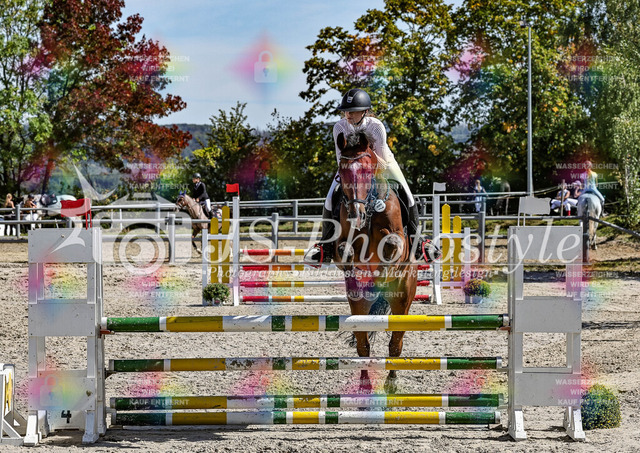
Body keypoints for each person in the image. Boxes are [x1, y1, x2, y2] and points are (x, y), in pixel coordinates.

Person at [308, 88, 426, 262]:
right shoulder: (339, 127)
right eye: (346, 111)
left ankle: (419, 242)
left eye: (353, 111)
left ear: (365, 111)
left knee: (407, 195)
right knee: (330, 198)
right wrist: (351, 174)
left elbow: (381, 160)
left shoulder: (376, 127)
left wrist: (366, 167)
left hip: (383, 164)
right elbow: (340, 159)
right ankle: (325, 246)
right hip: (351, 168)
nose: (348, 115)